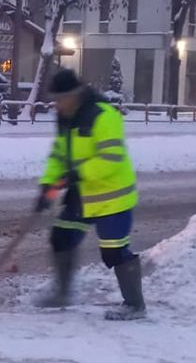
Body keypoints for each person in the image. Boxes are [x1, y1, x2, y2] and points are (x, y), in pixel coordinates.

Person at [35, 67, 145, 320]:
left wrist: (77, 173)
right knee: (61, 236)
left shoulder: (103, 116)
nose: (57, 105)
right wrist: (47, 185)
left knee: (114, 252)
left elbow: (111, 159)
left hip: (112, 198)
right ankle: (62, 293)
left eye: (61, 99)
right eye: (55, 100)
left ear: (75, 94)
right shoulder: (65, 118)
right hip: (82, 195)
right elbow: (59, 155)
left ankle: (135, 305)